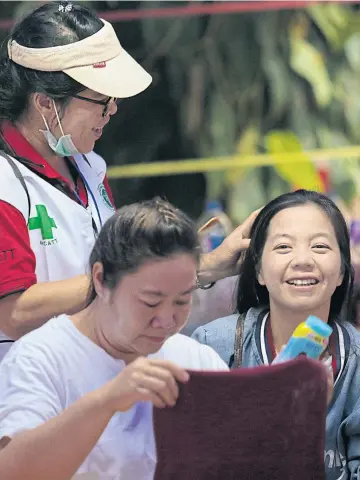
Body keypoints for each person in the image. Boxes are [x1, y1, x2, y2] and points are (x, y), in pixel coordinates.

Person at [0, 0, 247, 361]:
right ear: (44, 102)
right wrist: (129, 277)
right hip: (28, 390)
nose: (112, 109)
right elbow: (13, 313)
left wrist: (208, 265)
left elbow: (125, 271)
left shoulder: (89, 168)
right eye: (101, 99)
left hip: (98, 366)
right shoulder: (6, 185)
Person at [0, 198, 228, 480]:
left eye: (182, 301)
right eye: (150, 302)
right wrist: (106, 401)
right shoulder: (40, 360)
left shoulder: (196, 360)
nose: (167, 320)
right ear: (100, 279)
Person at [192, 189, 360, 480]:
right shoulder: (212, 347)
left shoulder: (355, 363)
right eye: (284, 247)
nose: (302, 260)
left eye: (320, 247)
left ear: (343, 271)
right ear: (257, 270)